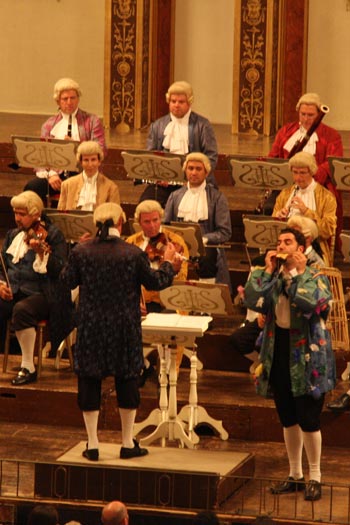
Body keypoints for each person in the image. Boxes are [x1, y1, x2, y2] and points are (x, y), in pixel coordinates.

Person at [61, 202, 182, 461]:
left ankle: (92, 444)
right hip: (124, 326)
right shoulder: (132, 253)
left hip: (91, 326)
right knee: (126, 380)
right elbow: (156, 282)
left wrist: (75, 251)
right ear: (120, 223)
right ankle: (127, 443)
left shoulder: (82, 252)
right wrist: (169, 264)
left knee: (89, 381)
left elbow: (66, 282)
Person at [244, 227, 335, 502]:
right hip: (279, 349)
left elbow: (309, 302)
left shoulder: (315, 276)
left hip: (307, 354)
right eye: (279, 241)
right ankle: (295, 475)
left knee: (308, 418)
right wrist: (269, 270)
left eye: (288, 241)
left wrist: (295, 273)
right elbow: (252, 298)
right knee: (287, 417)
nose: (281, 246)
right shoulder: (274, 277)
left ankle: (315, 476)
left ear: (300, 247)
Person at [0, 191, 72, 386]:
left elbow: (61, 271)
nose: (17, 218)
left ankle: (27, 367)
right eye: (15, 213)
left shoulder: (53, 235)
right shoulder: (13, 235)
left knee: (22, 310)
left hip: (44, 293)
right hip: (14, 289)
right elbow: (3, 266)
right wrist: (1, 284)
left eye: (22, 214)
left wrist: (42, 253)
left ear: (35, 214)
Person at [268, 92, 343, 250]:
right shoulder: (285, 132)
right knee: (270, 206)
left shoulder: (332, 135)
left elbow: (332, 162)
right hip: (289, 182)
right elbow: (274, 158)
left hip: (318, 184)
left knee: (329, 202)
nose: (306, 119)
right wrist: (287, 175)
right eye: (303, 114)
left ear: (318, 115)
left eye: (311, 115)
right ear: (298, 113)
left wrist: (308, 175)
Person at [126, 199, 189, 380]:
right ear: (139, 223)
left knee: (173, 319)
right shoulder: (131, 243)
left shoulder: (175, 242)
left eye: (155, 220)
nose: (152, 226)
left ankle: (170, 374)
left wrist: (174, 268)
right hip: (142, 301)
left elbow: (180, 281)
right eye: (147, 222)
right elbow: (127, 279)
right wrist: (135, 301)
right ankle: (140, 366)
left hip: (168, 300)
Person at [24, 77, 107, 204]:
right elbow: (40, 157)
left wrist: (77, 147)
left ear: (78, 99)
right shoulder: (49, 125)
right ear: (58, 101)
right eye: (65, 99)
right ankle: (43, 222)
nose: (69, 102)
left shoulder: (92, 121)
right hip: (57, 174)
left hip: (84, 172)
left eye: (73, 98)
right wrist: (51, 174)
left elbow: (101, 150)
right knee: (32, 188)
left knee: (76, 188)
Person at [142, 80, 218, 207]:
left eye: (181, 102)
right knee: (146, 205)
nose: (176, 105)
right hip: (164, 184)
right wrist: (160, 177)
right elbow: (151, 157)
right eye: (173, 101)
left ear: (189, 102)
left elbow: (212, 157)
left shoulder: (203, 125)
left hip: (195, 182)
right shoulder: (158, 126)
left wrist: (193, 177)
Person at [164, 152, 232, 289]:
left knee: (208, 256)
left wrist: (204, 239)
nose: (193, 172)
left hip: (206, 247)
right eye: (190, 168)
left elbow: (225, 232)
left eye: (198, 169)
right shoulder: (175, 196)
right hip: (179, 244)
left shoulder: (217, 198)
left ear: (206, 173)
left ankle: (207, 301)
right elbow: (165, 225)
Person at [272, 151, 337, 266]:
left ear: (312, 172)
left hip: (314, 248)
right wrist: (279, 217)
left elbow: (327, 231)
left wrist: (306, 211)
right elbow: (273, 228)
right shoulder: (285, 194)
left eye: (302, 173)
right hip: (287, 248)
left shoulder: (327, 197)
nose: (298, 177)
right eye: (295, 172)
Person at [57, 141, 119, 211]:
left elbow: (115, 216)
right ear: (81, 162)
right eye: (86, 160)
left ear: (99, 161)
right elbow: (61, 214)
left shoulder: (111, 188)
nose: (90, 164)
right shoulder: (67, 185)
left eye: (93, 160)